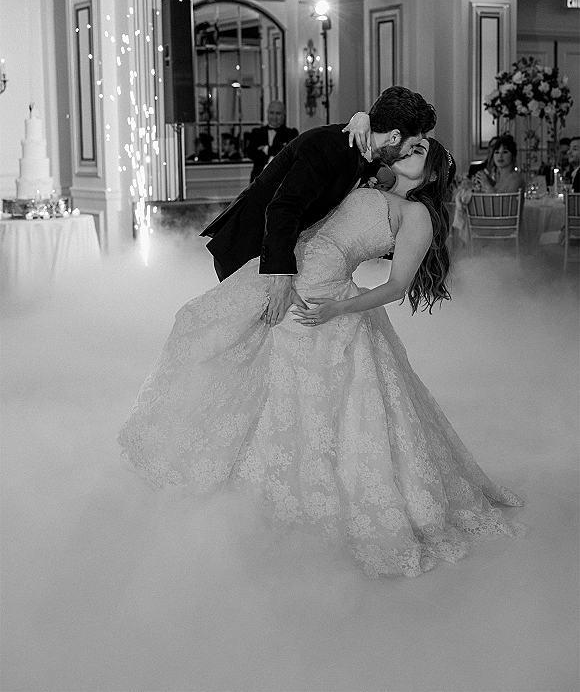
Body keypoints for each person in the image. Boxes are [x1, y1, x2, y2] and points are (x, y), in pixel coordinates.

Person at [118, 137, 523, 579]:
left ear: (432, 174)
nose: (409, 151)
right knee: (202, 327)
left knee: (313, 402)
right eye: (409, 145)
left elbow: (397, 285)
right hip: (285, 272)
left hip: (327, 298)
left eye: (420, 152)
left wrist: (338, 308)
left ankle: (300, 506)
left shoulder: (417, 215)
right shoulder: (371, 181)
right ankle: (221, 473)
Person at [200, 85, 437, 327]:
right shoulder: (331, 147)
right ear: (395, 137)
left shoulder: (361, 151)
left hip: (288, 257)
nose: (408, 153)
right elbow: (284, 207)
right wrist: (280, 278)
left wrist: (363, 116)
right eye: (413, 145)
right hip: (250, 246)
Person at [246, 100, 299, 181]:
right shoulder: (257, 133)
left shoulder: (291, 133)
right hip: (258, 179)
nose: (274, 117)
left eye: (278, 113)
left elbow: (289, 154)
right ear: (267, 113)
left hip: (282, 180)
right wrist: (273, 154)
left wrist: (266, 149)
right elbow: (251, 153)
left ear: (284, 115)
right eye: (271, 113)